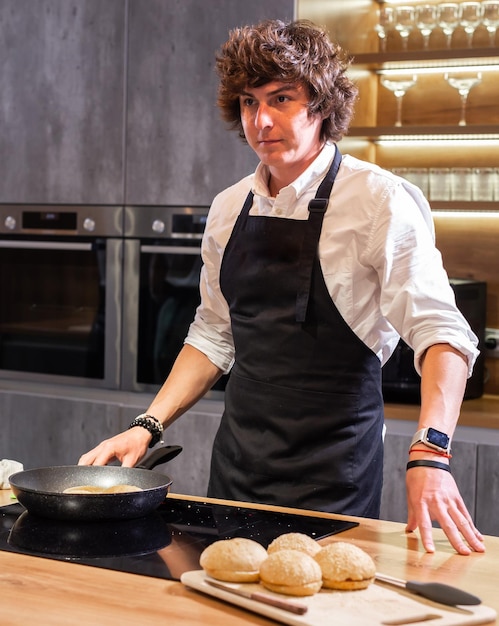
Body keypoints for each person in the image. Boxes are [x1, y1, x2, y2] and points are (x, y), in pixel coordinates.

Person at [79, 19, 485, 556]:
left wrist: (430, 452)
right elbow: (214, 333)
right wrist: (147, 425)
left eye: (282, 98)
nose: (261, 120)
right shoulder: (228, 208)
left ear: (320, 105)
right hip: (238, 467)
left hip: (332, 474)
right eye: (248, 103)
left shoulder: (380, 202)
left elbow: (443, 334)